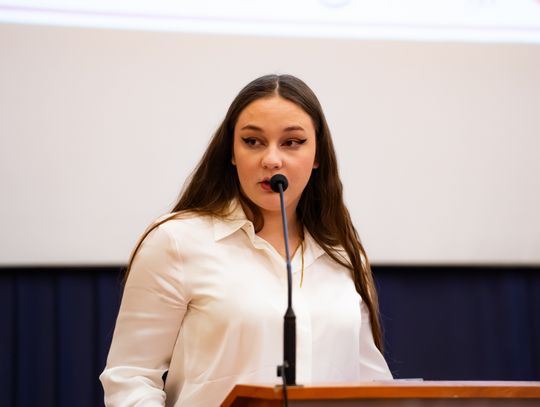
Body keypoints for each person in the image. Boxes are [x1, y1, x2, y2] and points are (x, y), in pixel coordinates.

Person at [100, 74, 392, 406]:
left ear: (317, 156)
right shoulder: (176, 241)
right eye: (253, 141)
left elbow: (372, 383)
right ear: (232, 152)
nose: (271, 160)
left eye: (292, 142)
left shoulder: (343, 252)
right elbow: (130, 378)